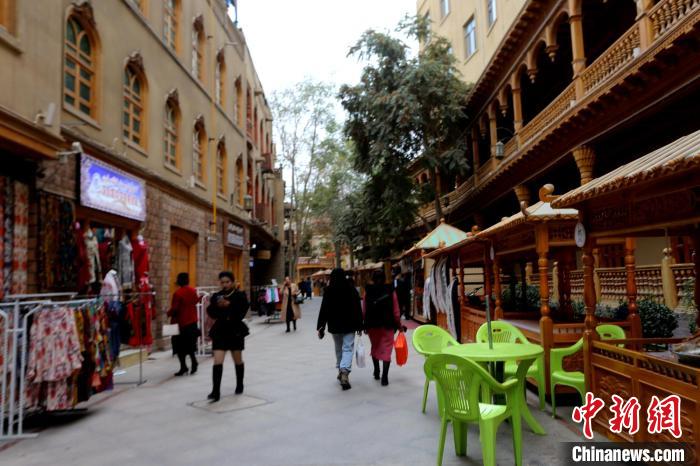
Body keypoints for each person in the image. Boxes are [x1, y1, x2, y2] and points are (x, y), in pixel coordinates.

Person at [206, 271, 250, 402]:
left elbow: (241, 313)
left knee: (237, 360)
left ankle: (240, 384)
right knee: (217, 361)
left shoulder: (239, 295)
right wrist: (217, 306)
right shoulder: (216, 296)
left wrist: (229, 305)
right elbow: (212, 313)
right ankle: (216, 391)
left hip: (235, 331)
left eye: (227, 282)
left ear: (232, 282)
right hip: (220, 331)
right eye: (222, 282)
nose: (225, 285)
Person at [317, 268, 363, 390]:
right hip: (350, 325)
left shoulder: (329, 290)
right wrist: (360, 325)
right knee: (348, 348)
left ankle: (340, 370)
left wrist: (321, 326)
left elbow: (324, 309)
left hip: (335, 326)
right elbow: (357, 308)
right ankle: (344, 371)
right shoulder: (351, 289)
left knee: (339, 348)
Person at [364, 269, 403, 386]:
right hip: (388, 324)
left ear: (373, 278)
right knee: (387, 350)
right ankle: (384, 377)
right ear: (385, 278)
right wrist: (399, 325)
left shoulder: (368, 291)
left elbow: (364, 310)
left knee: (375, 347)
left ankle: (376, 371)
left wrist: (365, 324)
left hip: (372, 325)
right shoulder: (391, 290)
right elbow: (396, 311)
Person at [167, 273, 199, 376]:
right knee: (190, 345)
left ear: (179, 280)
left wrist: (168, 313)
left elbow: (175, 309)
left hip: (181, 323)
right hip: (192, 322)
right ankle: (194, 362)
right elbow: (195, 301)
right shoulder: (193, 291)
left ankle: (183, 367)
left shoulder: (178, 293)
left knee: (179, 346)